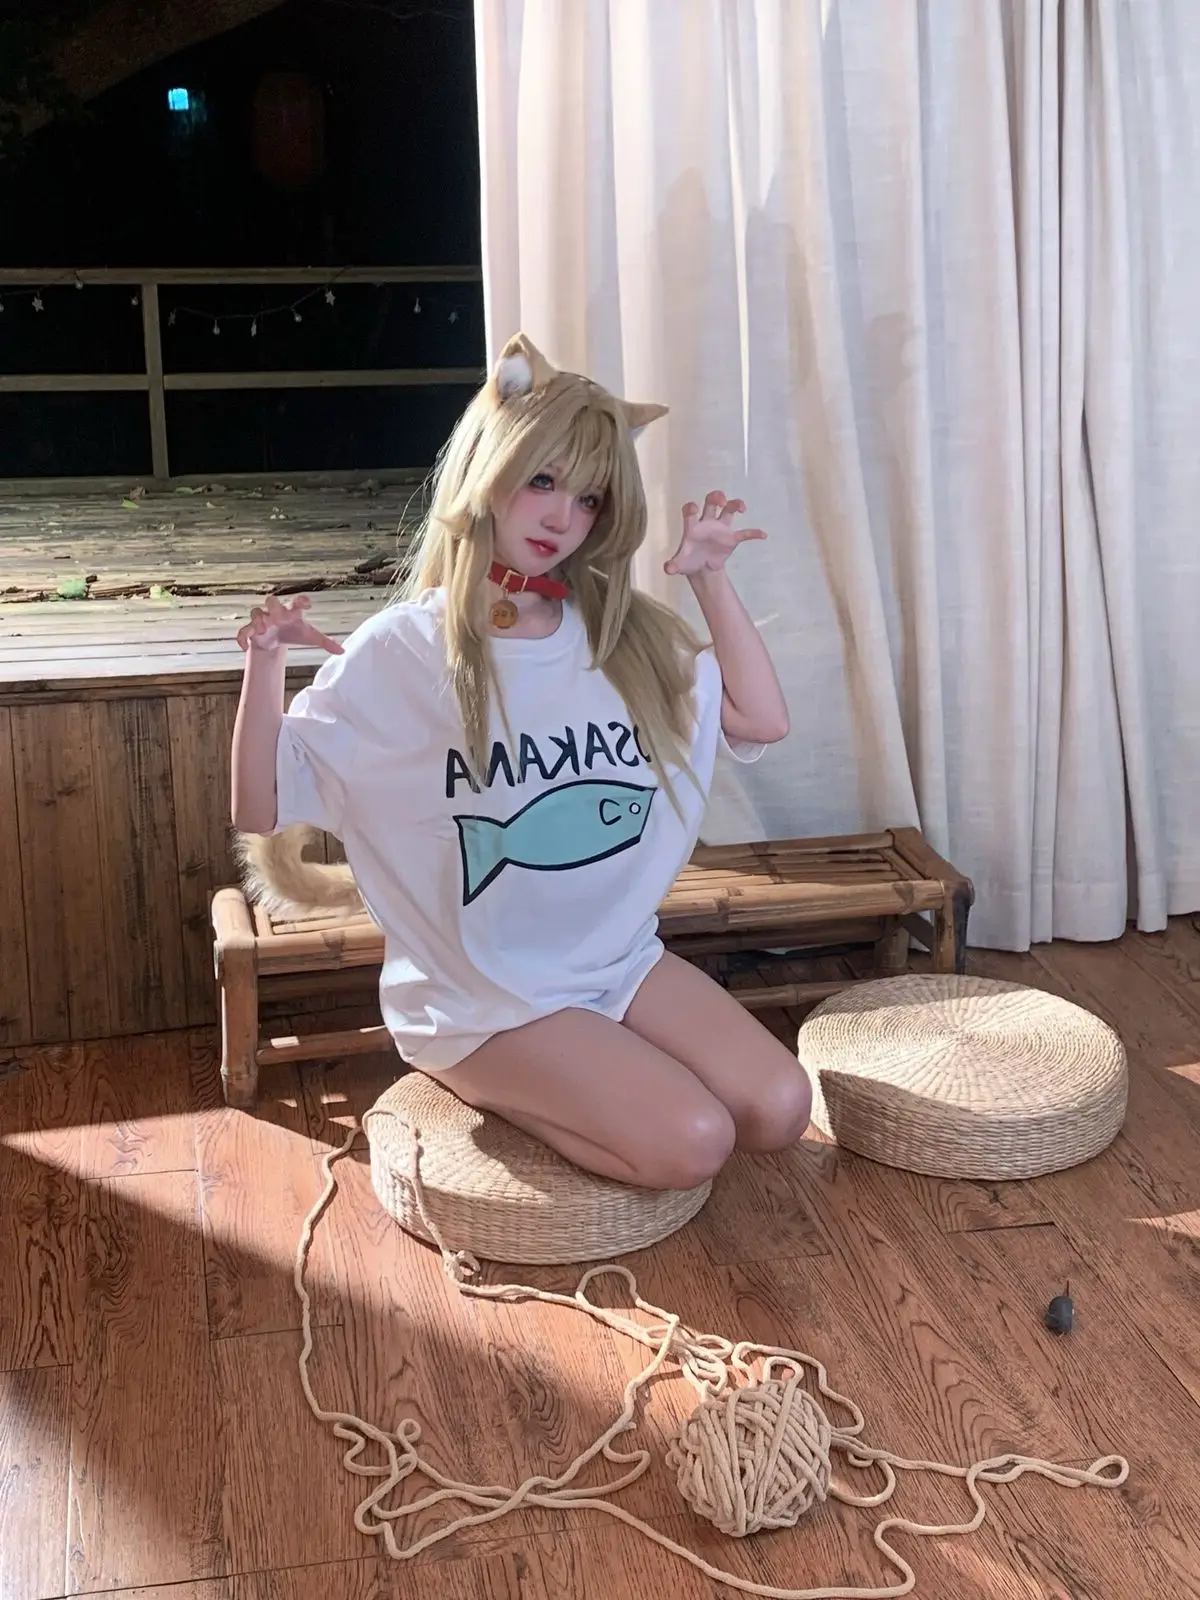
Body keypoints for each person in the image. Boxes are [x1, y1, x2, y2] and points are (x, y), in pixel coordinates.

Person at [231, 332, 811, 1191]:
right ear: (489, 469)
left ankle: (590, 1070)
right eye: (542, 480)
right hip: (481, 999)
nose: (561, 517)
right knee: (693, 1141)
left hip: (617, 962)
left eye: (588, 497)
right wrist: (266, 662)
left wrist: (707, 578)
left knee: (780, 1107)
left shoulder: (618, 637)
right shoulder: (405, 650)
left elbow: (763, 719)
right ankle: (483, 1075)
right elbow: (258, 808)